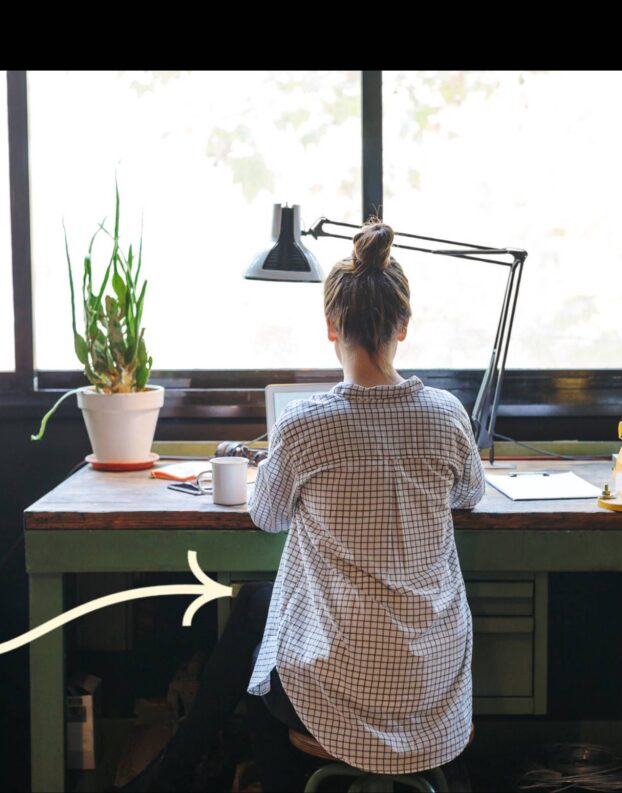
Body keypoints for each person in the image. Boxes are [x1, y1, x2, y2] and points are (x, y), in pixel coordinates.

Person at [144, 216, 486, 792]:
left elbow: (267, 516)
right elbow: (470, 493)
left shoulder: (305, 426)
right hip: (431, 695)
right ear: (404, 325)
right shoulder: (448, 414)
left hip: (340, 696)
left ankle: (193, 774)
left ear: (331, 326)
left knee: (258, 637)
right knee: (261, 610)